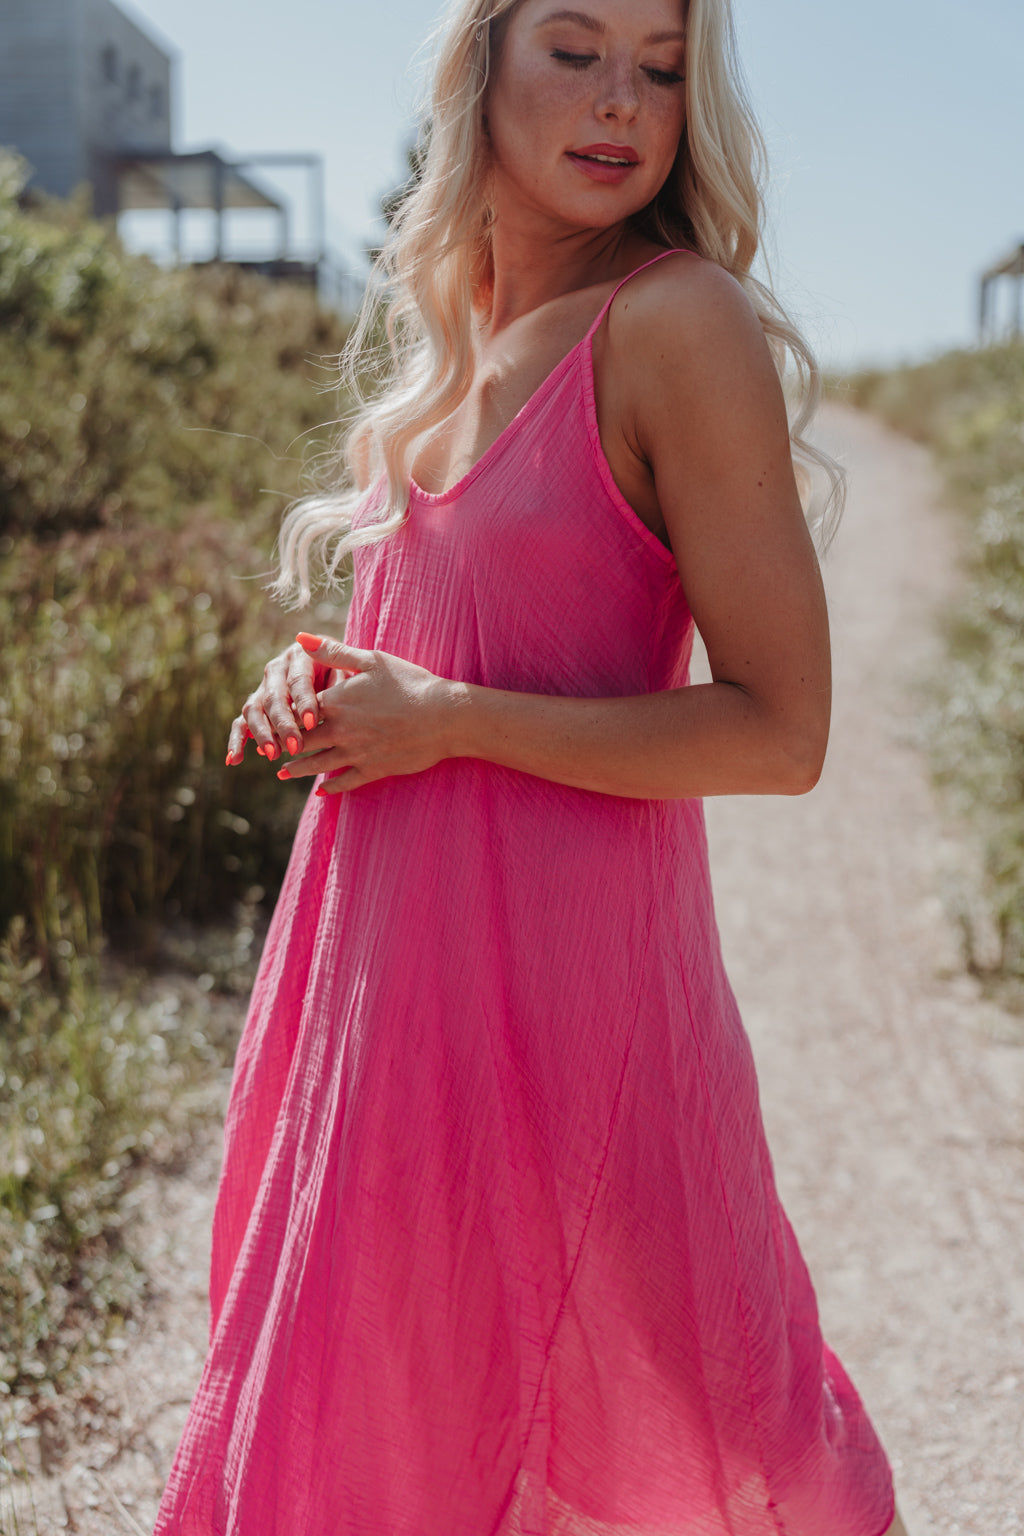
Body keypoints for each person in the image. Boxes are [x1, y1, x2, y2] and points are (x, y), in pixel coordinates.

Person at [155, 1, 909, 1532]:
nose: (622, 101)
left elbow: (782, 730)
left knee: (664, 1419)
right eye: (576, 49)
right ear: (481, 63)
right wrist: (336, 692)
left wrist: (449, 715)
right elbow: (455, 650)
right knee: (404, 1414)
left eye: (661, 63)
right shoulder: (455, 342)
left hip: (570, 991)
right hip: (382, 992)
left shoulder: (674, 322)